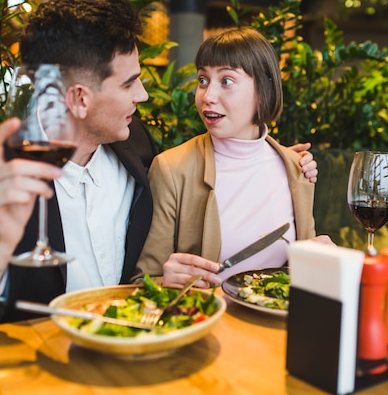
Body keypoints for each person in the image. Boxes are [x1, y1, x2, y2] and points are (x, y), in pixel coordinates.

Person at [0, 0, 318, 395]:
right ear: (80, 98)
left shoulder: (133, 146)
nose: (144, 95)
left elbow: (207, 167)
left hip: (125, 369)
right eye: (131, 83)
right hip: (18, 376)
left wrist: (276, 158)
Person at [132, 27, 333, 289]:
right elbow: (143, 281)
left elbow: (306, 274)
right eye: (203, 80)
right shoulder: (172, 169)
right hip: (211, 323)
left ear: (264, 88)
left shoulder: (297, 167)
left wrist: (329, 262)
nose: (207, 96)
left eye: (226, 81)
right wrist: (165, 282)